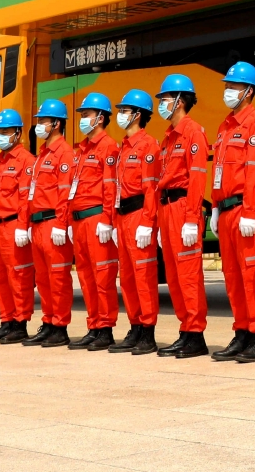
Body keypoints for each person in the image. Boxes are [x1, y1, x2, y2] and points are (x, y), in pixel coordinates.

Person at [209, 62, 255, 363]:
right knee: (232, 276)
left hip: (244, 211)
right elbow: (219, 170)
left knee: (251, 277)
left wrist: (251, 211)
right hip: (225, 211)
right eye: (227, 86)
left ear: (249, 91)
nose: (228, 91)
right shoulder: (225, 126)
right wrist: (213, 207)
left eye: (233, 87)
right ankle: (242, 332)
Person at [153, 73, 211, 358]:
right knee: (174, 276)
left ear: (179, 101)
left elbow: (197, 178)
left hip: (182, 207)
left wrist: (191, 218)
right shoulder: (167, 137)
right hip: (167, 209)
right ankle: (185, 330)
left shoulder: (193, 132)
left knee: (188, 275)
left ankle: (195, 334)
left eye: (165, 99)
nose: (161, 104)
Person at [107, 90, 162, 355]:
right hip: (123, 216)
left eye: (125, 111)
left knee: (143, 276)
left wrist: (148, 222)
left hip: (140, 214)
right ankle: (135, 325)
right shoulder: (123, 147)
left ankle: (148, 331)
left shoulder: (148, 145)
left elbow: (151, 188)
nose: (121, 116)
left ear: (138, 115)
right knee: (127, 278)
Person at [68, 92, 120, 351]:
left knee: (103, 276)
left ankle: (105, 328)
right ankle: (93, 325)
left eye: (86, 115)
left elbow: (110, 186)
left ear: (100, 118)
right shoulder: (81, 149)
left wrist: (108, 219)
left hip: (97, 217)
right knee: (86, 277)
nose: (82, 119)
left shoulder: (108, 146)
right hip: (79, 221)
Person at [25, 98, 76, 348]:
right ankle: (48, 322)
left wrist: (61, 222)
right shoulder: (42, 154)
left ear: (56, 124)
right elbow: (33, 193)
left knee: (58, 278)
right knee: (43, 279)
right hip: (37, 224)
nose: (39, 125)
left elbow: (65, 191)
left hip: (52, 222)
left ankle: (60, 325)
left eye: (43, 121)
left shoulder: (64, 153)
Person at [0, 108, 37, 343]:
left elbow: (27, 197)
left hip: (12, 224)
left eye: (5, 131)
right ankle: (6, 319)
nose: (0, 136)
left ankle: (19, 322)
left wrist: (23, 226)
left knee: (18, 275)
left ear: (17, 133)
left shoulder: (26, 160)